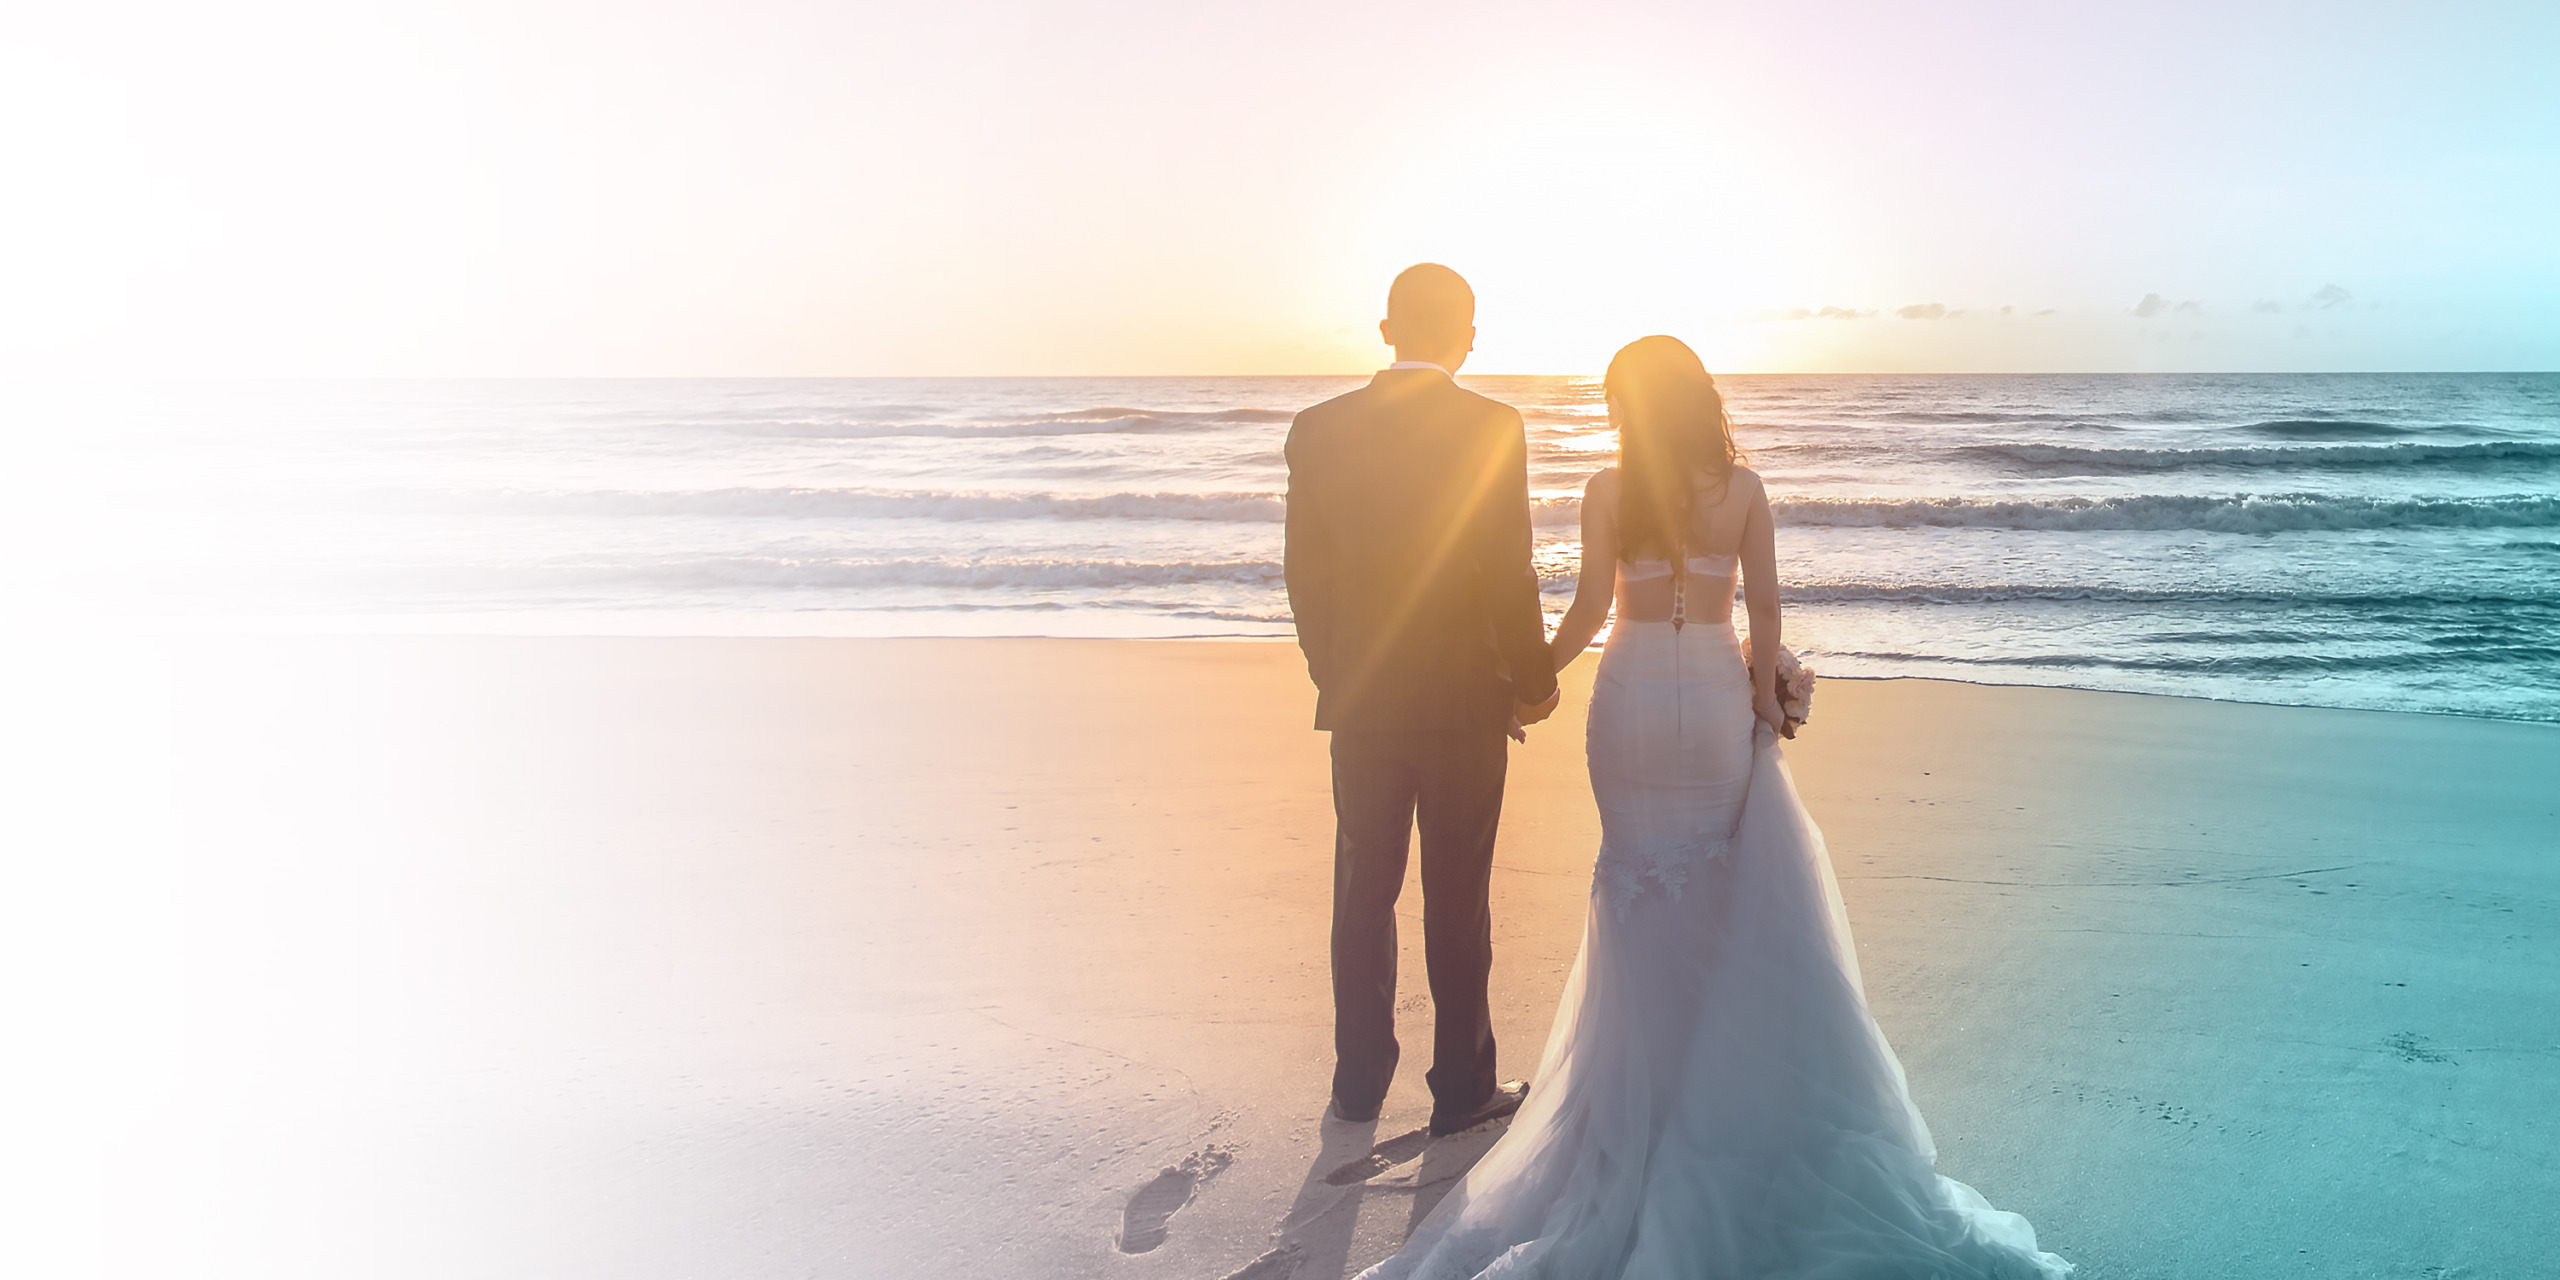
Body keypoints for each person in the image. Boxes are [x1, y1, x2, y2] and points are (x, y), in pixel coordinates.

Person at [1354, 336, 2072, 1278]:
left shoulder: (1610, 490)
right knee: (1716, 890)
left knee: (1635, 892)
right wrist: (1768, 704)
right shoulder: (1744, 489)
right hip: (1709, 705)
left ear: (1628, 407)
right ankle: (1721, 1094)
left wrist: (1523, 689)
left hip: (1631, 700)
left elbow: (1581, 615)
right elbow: (1765, 616)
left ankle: (1640, 1111)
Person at [1284, 264, 1561, 1137]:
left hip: (1363, 700)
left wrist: (1337, 674)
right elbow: (1508, 571)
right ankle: (1463, 1088)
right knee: (1457, 894)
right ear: (1467, 332)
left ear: (1386, 329)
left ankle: (1358, 1085)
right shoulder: (1491, 425)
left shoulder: (1318, 429)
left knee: (1363, 892)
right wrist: (1533, 679)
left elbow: (1305, 576)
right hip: (1463, 703)